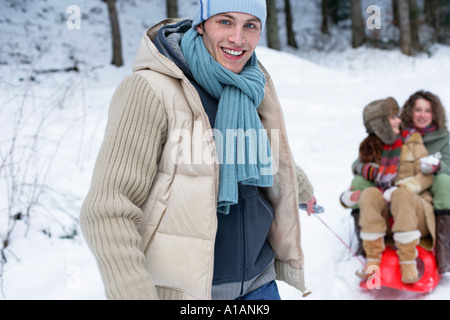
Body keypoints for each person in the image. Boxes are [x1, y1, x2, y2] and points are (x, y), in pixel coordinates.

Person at [80, 0, 316, 300]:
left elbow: (262, 151)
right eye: (225, 22)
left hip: (259, 284)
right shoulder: (150, 89)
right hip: (189, 292)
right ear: (201, 24)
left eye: (250, 25)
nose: (238, 38)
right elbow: (107, 208)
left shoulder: (251, 82)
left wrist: (301, 188)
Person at [340, 97, 436, 283]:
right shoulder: (371, 149)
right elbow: (359, 182)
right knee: (369, 194)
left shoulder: (413, 141)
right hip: (389, 219)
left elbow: (427, 175)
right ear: (380, 124)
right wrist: (348, 198)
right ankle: (373, 261)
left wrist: (402, 187)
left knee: (400, 195)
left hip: (417, 215)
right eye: (392, 117)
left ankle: (408, 262)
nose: (399, 120)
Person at [400, 90, 450, 274]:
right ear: (410, 112)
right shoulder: (399, 135)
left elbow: (449, 166)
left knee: (445, 180)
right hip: (404, 185)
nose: (422, 115)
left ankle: (444, 249)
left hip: (433, 191)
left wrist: (438, 166)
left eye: (427, 111)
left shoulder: (444, 138)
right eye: (418, 110)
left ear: (434, 113)